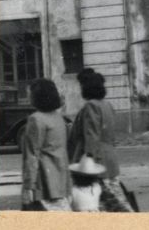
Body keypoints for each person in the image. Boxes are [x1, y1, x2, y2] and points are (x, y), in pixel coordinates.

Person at [68, 70, 133, 211]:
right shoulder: (107, 105)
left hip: (96, 160)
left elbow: (91, 135)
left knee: (102, 202)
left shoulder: (90, 106)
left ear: (86, 88)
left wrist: (89, 159)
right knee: (113, 200)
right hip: (109, 159)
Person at [21, 79, 72, 211]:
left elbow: (32, 156)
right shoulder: (58, 117)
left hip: (43, 184)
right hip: (61, 181)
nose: (28, 96)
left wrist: (29, 186)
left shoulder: (35, 119)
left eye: (30, 93)